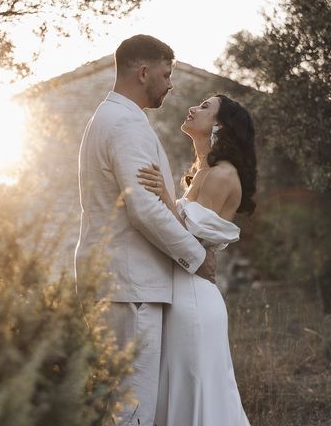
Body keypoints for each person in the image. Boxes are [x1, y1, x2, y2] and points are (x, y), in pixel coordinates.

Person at [73, 34, 217, 426]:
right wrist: (197, 256)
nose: (171, 84)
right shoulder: (125, 124)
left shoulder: (108, 117)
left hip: (114, 282)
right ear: (143, 72)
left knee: (116, 404)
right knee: (132, 409)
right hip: (130, 285)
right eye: (166, 74)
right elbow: (143, 208)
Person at [137, 94, 256, 426]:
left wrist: (162, 194)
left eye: (206, 107)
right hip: (179, 291)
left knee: (197, 397)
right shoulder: (201, 172)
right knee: (177, 394)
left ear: (220, 126)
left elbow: (188, 242)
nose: (193, 108)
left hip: (193, 299)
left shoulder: (222, 175)